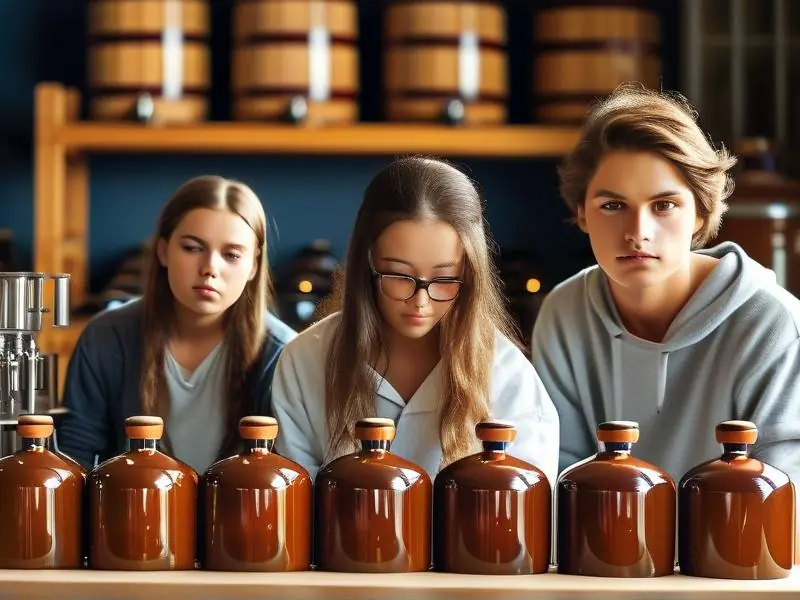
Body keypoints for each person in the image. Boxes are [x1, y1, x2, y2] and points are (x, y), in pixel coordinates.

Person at [531, 83, 800, 491]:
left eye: (664, 205)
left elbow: (783, 501)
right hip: (599, 551)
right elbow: (557, 480)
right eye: (613, 205)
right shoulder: (563, 313)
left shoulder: (772, 324)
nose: (638, 233)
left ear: (699, 213)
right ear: (582, 213)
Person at [270, 156, 560, 486]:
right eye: (399, 275)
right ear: (367, 264)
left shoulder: (508, 375)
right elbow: (293, 509)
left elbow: (526, 515)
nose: (420, 301)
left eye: (444, 279)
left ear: (470, 274)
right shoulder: (306, 360)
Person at [55, 175, 296, 473]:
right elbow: (73, 459)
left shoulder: (283, 354)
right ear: (162, 250)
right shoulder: (106, 338)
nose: (210, 269)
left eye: (231, 255)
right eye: (193, 248)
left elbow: (287, 477)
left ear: (254, 265)